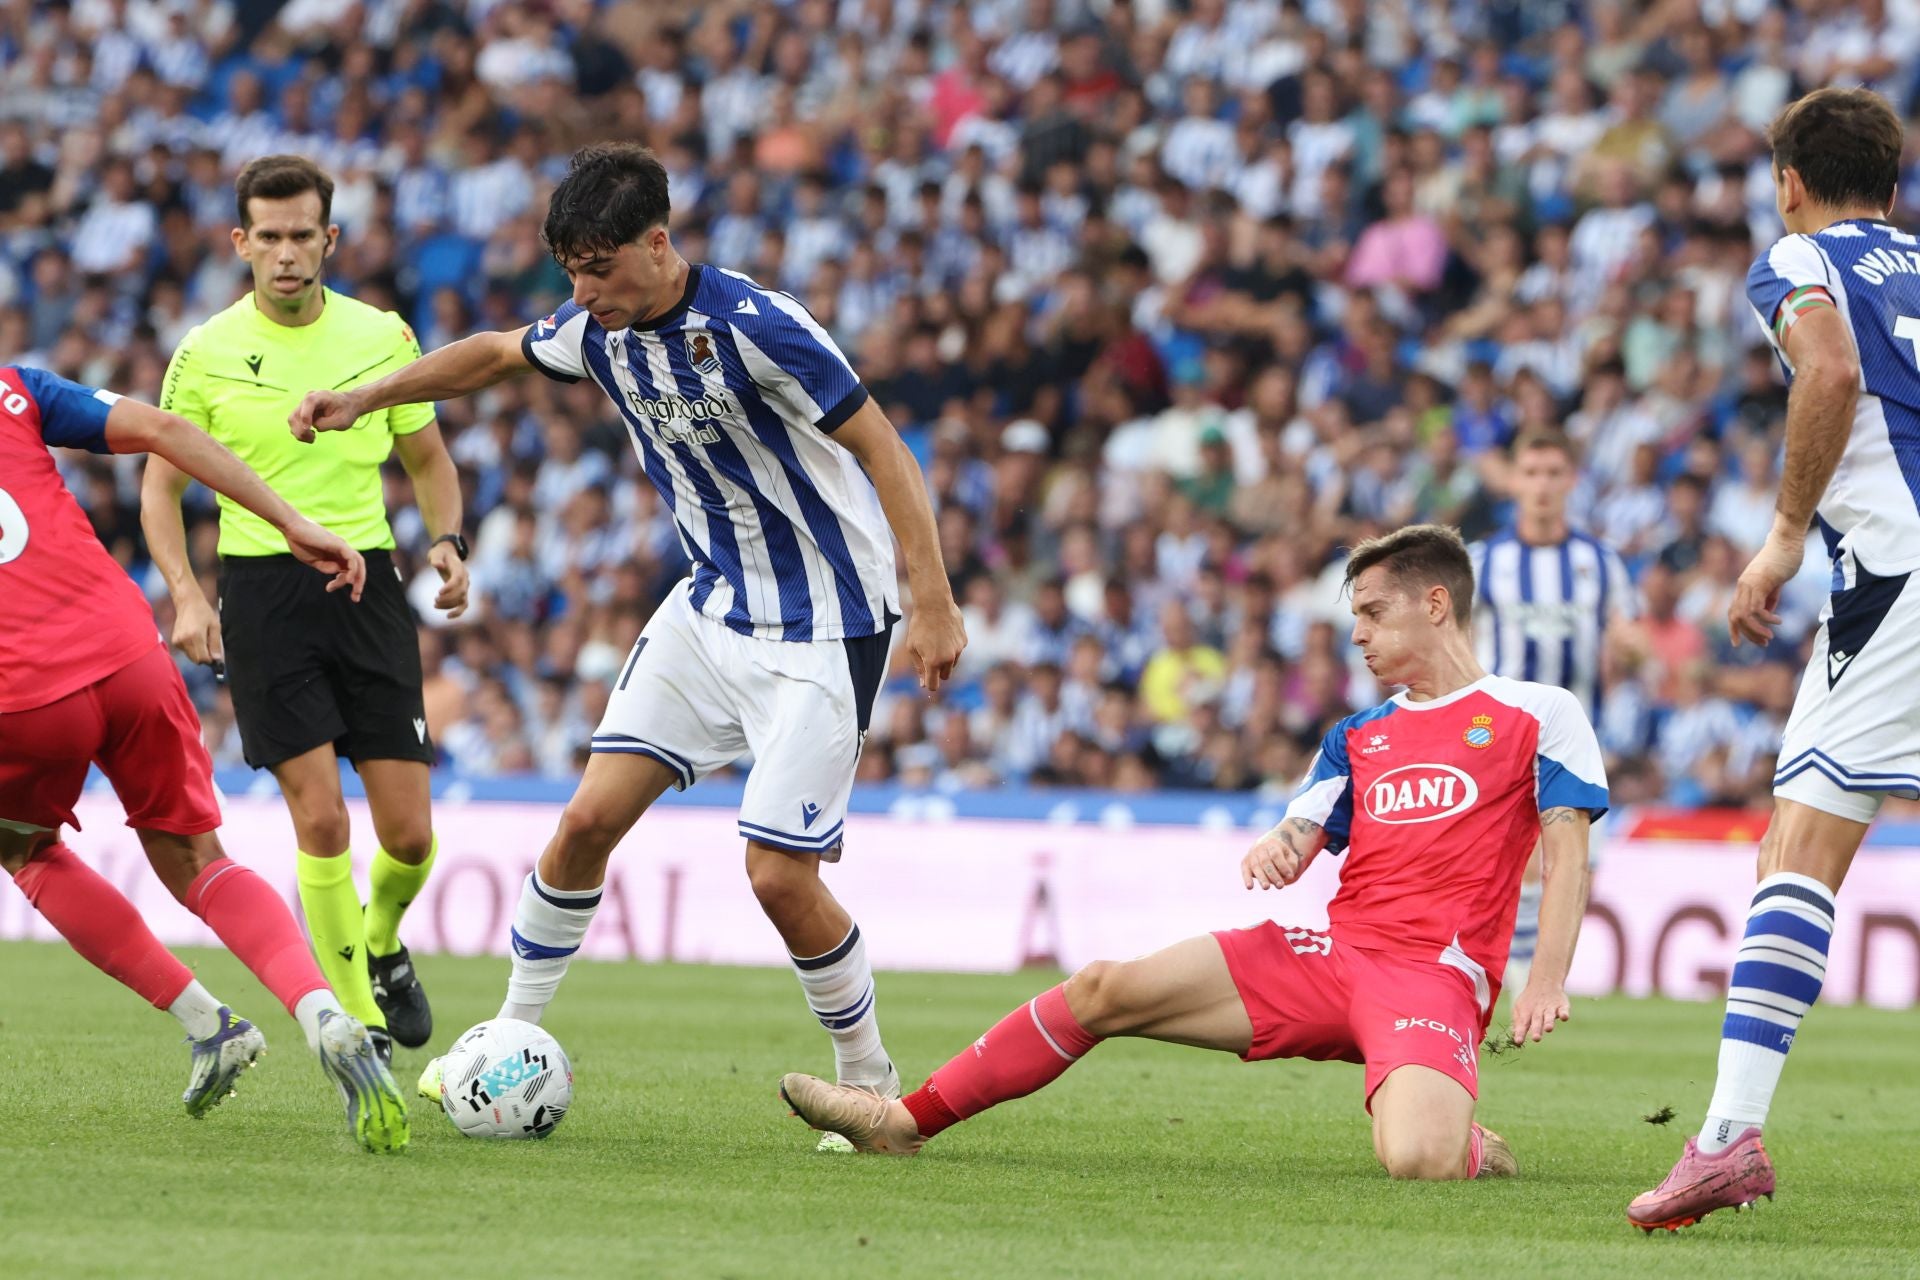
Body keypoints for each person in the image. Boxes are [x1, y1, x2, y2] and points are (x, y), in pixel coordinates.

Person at [287, 143, 967, 1144]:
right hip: (709, 609)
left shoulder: (759, 328)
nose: (585, 291)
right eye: (572, 271)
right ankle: (505, 1040)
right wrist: (363, 401)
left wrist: (935, 596)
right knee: (583, 825)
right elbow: (488, 351)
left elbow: (883, 448)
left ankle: (872, 1084)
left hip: (824, 624)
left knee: (780, 876)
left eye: (601, 268)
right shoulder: (593, 329)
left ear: (658, 242)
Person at [780, 525, 1608, 1180]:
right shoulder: (1358, 736)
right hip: (1333, 957)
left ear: (1435, 605)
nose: (1355, 634)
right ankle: (903, 1120)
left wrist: (1545, 979)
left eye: (1371, 613)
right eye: (1351, 616)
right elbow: (1300, 830)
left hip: (1434, 977)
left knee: (1419, 1163)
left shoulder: (1537, 712)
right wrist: (1276, 849)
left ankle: (1460, 1137)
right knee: (1105, 988)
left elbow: (1568, 853)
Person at [1628, 87, 1920, 1231]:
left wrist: (1786, 534)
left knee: (1800, 843)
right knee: (1794, 837)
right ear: (1893, 182)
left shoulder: (1798, 255)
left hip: (1897, 577)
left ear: (1789, 182)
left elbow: (1831, 371)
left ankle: (1726, 1137)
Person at [0, 363, 409, 1153]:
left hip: (21, 700)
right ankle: (321, 1009)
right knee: (197, 857)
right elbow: (164, 430)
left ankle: (207, 1023)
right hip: (127, 652)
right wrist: (290, 521)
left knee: (27, 850)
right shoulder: (12, 386)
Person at [141, 155, 467, 1062]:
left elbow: (430, 461)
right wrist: (185, 592)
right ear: (240, 242)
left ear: (331, 239)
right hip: (261, 593)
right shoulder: (203, 352)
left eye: (302, 236)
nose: (287, 255)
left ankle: (383, 939)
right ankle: (357, 1025)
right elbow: (159, 491)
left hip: (368, 585)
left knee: (409, 836)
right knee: (320, 820)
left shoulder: (382, 338)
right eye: (269, 237)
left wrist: (448, 541)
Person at [1468, 431, 1634, 991]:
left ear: (1571, 481)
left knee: (1571, 860)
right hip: (1500, 732)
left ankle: (1538, 972)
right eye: (1531, 472)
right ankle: (1511, 967)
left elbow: (1623, 639)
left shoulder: (1600, 563)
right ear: (1514, 481)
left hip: (1577, 734)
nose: (1541, 485)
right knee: (1506, 857)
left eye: (1552, 473)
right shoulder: (1484, 562)